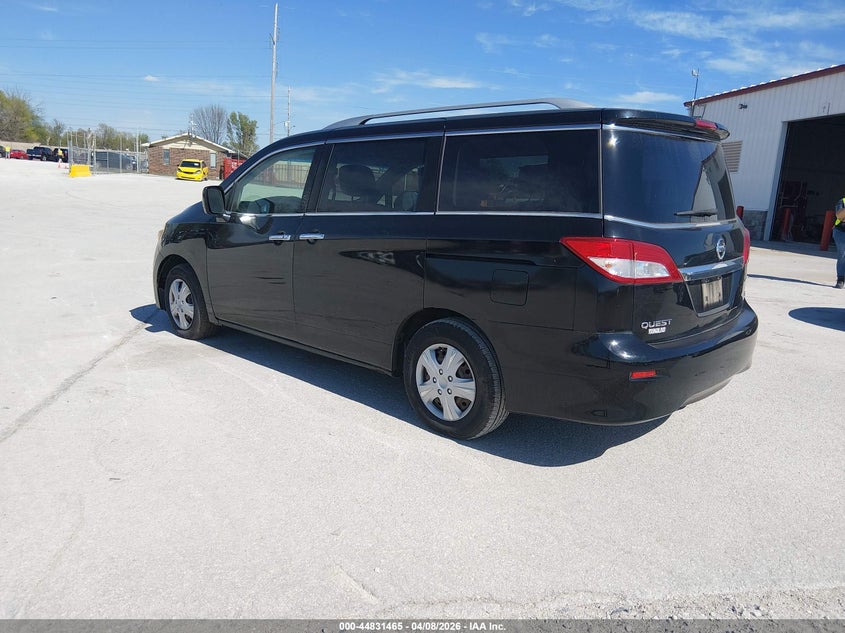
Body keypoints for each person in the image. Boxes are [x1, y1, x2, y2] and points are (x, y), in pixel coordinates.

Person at [834, 197, 845, 288]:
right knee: (842, 255)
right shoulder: (842, 201)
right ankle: (841, 279)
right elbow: (840, 216)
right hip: (841, 232)